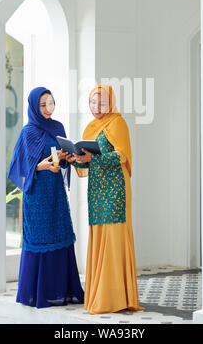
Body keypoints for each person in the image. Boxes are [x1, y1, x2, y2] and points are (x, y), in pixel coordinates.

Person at [64, 84, 143, 314]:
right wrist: (74, 158)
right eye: (93, 102)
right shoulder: (91, 127)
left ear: (112, 102)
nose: (97, 107)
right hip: (97, 190)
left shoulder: (117, 123)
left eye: (103, 102)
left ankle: (117, 299)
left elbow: (122, 155)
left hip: (116, 190)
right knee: (99, 238)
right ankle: (101, 295)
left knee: (113, 239)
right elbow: (87, 163)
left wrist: (93, 159)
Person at [7, 86, 84, 308]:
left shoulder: (57, 127)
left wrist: (67, 156)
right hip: (37, 194)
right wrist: (39, 166)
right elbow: (19, 167)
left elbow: (63, 158)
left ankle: (63, 291)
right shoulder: (27, 132)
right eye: (43, 105)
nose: (48, 109)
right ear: (34, 106)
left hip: (56, 193)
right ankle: (37, 294)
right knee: (40, 236)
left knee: (60, 232)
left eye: (50, 103)